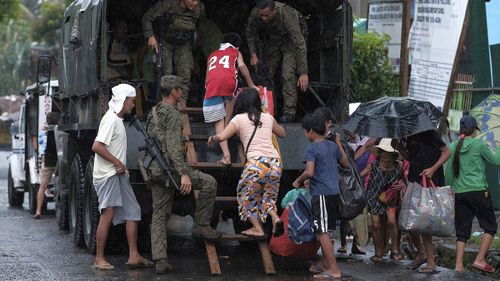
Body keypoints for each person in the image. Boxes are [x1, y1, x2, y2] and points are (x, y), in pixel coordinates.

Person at [147, 75, 222, 274]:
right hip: (172, 169)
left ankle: (160, 260)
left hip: (156, 170)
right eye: (180, 89)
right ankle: (201, 226)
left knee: (159, 215)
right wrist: (183, 174)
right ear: (174, 92)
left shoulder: (153, 112)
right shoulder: (172, 114)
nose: (183, 92)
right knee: (209, 183)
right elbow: (172, 147)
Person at [208, 88, 286, 238]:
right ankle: (276, 219)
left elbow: (222, 136)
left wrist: (212, 138)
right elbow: (282, 133)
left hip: (257, 164)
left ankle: (257, 228)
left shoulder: (239, 119)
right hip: (275, 164)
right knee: (267, 197)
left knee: (244, 196)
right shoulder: (267, 117)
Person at [91, 84, 153, 270]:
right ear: (124, 100)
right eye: (131, 101)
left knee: (133, 211)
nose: (133, 105)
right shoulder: (110, 119)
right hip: (108, 175)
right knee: (108, 213)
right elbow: (97, 146)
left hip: (119, 174)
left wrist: (120, 165)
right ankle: (99, 259)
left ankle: (134, 255)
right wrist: (117, 163)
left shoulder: (117, 120)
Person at [292, 112, 348, 279]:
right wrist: (338, 143)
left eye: (304, 130)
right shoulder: (331, 146)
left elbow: (310, 171)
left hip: (321, 194)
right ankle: (326, 263)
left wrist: (298, 180)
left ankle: (334, 269)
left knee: (322, 232)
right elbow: (345, 163)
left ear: (310, 131)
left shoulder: (312, 148)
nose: (304, 133)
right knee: (326, 231)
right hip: (333, 193)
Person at [445, 115, 500, 273]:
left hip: (460, 193)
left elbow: (449, 173)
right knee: (490, 226)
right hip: (478, 191)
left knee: (462, 231)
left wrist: (452, 189)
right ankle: (480, 259)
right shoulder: (479, 144)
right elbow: (496, 161)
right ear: (475, 130)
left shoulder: (454, 145)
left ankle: (458, 265)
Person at [392, 129, 451, 273]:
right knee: (409, 221)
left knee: (425, 222)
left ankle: (430, 261)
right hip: (415, 180)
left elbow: (447, 152)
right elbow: (413, 158)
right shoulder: (409, 136)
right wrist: (399, 148)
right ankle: (421, 253)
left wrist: (432, 169)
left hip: (431, 181)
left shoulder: (429, 132)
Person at [246, 0, 308, 123]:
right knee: (267, 74)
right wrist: (253, 54)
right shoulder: (255, 13)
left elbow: (300, 44)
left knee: (287, 74)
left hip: (291, 43)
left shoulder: (286, 15)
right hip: (274, 41)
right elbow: (250, 33)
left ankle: (289, 112)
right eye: (261, 15)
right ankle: (269, 109)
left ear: (274, 10)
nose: (263, 18)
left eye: (266, 15)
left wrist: (303, 72)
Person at [204, 32, 257, 166]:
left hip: (212, 87)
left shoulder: (212, 55)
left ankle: (226, 156)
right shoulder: (235, 52)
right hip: (228, 83)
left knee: (218, 122)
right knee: (231, 97)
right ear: (237, 46)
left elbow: (208, 75)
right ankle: (228, 123)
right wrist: (251, 84)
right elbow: (242, 66)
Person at [142, 0, 204, 101]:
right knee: (166, 74)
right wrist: (150, 36)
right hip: (166, 43)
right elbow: (146, 18)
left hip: (184, 43)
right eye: (192, 0)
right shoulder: (168, 4)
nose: (195, 3)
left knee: (185, 74)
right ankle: (165, 105)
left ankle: (181, 106)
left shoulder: (199, 9)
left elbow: (200, 25)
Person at [360, 138, 407, 263]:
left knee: (392, 221)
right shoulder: (374, 165)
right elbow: (360, 175)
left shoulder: (399, 166)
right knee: (376, 224)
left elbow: (405, 182)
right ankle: (378, 252)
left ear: (393, 154)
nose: (385, 154)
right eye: (383, 151)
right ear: (380, 153)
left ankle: (395, 250)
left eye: (388, 152)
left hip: (390, 198)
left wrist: (400, 185)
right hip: (374, 196)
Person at [34, 112, 60, 219]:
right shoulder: (59, 130)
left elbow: (40, 144)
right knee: (60, 184)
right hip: (58, 158)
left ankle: (38, 211)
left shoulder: (42, 132)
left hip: (47, 159)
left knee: (42, 186)